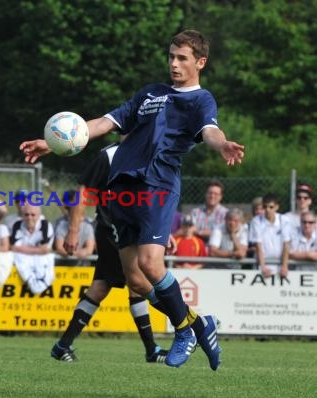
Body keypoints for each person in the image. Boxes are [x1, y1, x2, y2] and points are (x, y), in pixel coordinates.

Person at [21, 30, 245, 369]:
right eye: (171, 56)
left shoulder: (201, 100)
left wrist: (223, 144)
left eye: (182, 58)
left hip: (158, 183)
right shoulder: (150, 93)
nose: (173, 63)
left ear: (200, 62)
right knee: (137, 279)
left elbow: (211, 130)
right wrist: (51, 143)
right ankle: (201, 324)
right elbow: (102, 123)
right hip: (122, 189)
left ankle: (183, 331)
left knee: (152, 266)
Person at [52, 143, 169, 364]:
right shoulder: (108, 156)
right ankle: (159, 344)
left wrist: (161, 230)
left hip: (128, 229)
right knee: (138, 284)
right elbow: (83, 192)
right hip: (112, 229)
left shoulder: (148, 154)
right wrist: (74, 230)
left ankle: (63, 345)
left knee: (101, 287)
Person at [249, 193, 290, 278]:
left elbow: (286, 244)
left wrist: (284, 266)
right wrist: (263, 267)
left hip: (279, 264)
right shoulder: (256, 221)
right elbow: (258, 246)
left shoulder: (284, 220)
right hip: (262, 264)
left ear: (276, 207)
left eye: (271, 207)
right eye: (265, 207)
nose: (267, 210)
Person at [52, 190, 95, 261]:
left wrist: (73, 253)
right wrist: (77, 254)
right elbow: (59, 247)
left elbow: (89, 249)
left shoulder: (89, 225)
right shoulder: (60, 224)